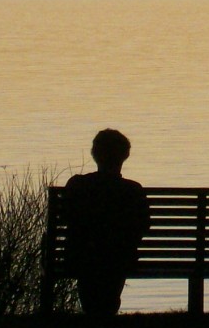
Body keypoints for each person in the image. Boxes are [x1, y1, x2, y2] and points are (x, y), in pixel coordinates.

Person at [63, 129, 150, 316]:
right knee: (113, 261)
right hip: (119, 258)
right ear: (125, 156)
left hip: (82, 257)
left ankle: (95, 318)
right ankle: (106, 317)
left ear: (94, 154)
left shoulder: (77, 185)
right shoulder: (133, 190)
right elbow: (142, 226)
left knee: (93, 262)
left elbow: (67, 217)